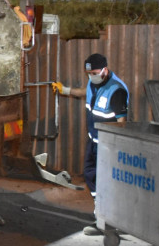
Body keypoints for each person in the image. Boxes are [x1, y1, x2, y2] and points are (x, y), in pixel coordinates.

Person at [52, 53, 129, 235]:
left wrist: (114, 147)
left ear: (105, 70)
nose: (91, 76)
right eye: (88, 73)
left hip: (108, 145)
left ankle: (108, 221)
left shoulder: (116, 90)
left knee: (105, 182)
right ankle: (101, 216)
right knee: (91, 176)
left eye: (94, 72)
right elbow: (85, 92)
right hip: (94, 141)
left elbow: (122, 124)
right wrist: (66, 90)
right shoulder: (94, 82)